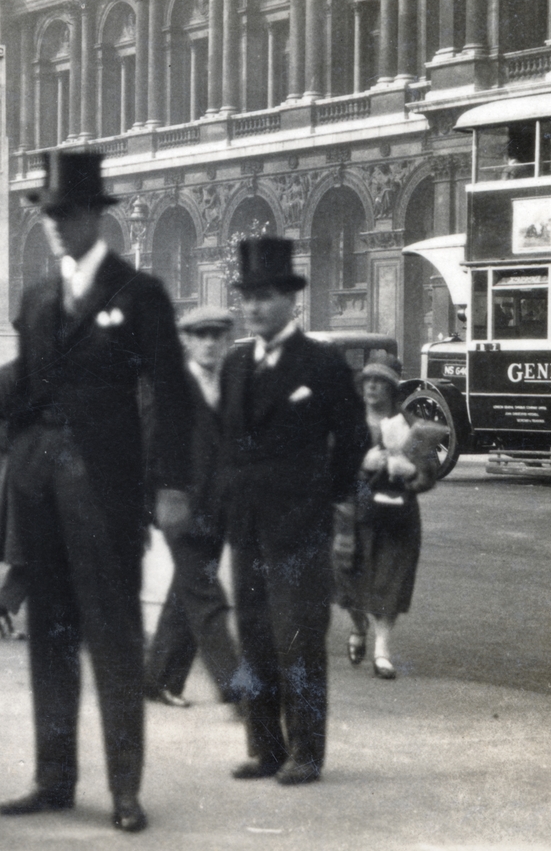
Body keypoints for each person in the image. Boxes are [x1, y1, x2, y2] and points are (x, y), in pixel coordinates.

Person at [0, 151, 193, 835]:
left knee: (112, 643)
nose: (55, 226)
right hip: (42, 498)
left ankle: (124, 791)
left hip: (107, 499)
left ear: (95, 217)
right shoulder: (38, 299)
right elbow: (21, 390)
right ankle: (54, 779)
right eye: (47, 215)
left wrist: (171, 486)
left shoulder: (139, 296)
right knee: (48, 641)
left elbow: (172, 398)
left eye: (67, 214)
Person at [220, 237, 368, 787]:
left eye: (265, 296)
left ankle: (307, 752)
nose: (254, 307)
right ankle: (265, 749)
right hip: (247, 526)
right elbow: (223, 443)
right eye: (247, 297)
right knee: (254, 635)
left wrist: (323, 501)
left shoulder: (322, 363)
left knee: (299, 638)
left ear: (291, 301)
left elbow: (351, 443)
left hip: (300, 529)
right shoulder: (236, 363)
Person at [144, 304, 242, 710]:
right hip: (179, 507)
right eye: (201, 336)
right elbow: (147, 448)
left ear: (227, 341)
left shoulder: (231, 385)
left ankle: (159, 678)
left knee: (185, 591)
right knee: (205, 593)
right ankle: (239, 688)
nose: (209, 343)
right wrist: (155, 504)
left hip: (218, 507)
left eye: (217, 336)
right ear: (187, 340)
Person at [333, 363, 442, 681]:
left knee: (391, 581)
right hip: (352, 515)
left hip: (398, 515)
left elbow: (430, 470)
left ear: (392, 389)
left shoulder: (411, 424)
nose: (372, 387)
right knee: (347, 577)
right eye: (368, 381)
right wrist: (359, 463)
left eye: (380, 382)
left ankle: (382, 651)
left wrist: (413, 472)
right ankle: (358, 626)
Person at [0, 361, 28, 640]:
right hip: (17, 468)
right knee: (33, 544)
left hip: (37, 465)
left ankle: (0, 609)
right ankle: (0, 609)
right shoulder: (8, 375)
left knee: (36, 546)